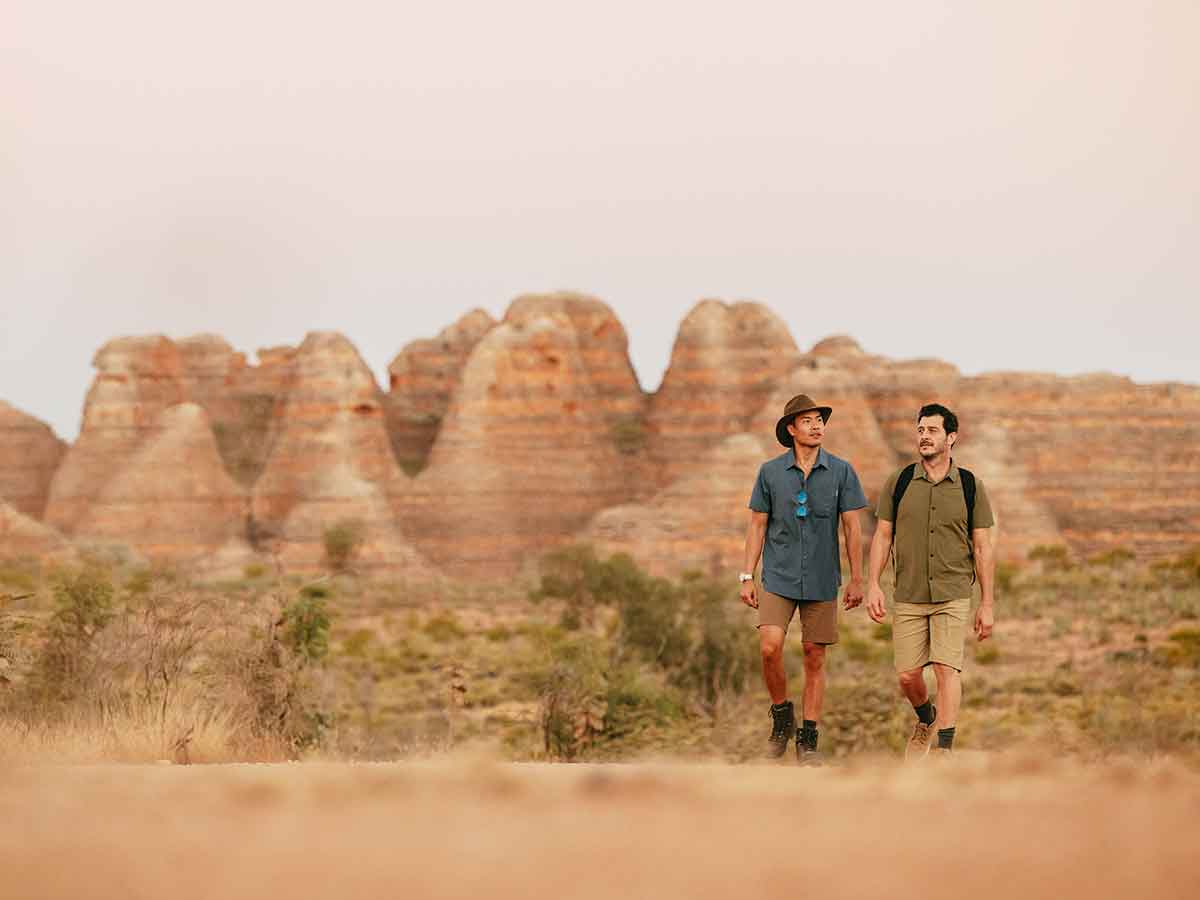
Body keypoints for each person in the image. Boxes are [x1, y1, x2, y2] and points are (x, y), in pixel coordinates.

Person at [740, 393, 867, 763]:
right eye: (808, 421)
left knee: (814, 657)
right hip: (777, 575)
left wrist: (857, 578)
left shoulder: (842, 471)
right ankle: (782, 717)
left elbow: (852, 527)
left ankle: (808, 739)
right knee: (769, 648)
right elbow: (757, 525)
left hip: (822, 578)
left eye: (820, 420)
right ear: (791, 429)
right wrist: (747, 575)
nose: (817, 426)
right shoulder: (770, 472)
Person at [865, 403, 996, 759]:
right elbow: (882, 536)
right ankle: (926, 717)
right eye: (921, 429)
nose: (924, 436)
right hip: (908, 594)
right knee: (908, 677)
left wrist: (986, 603)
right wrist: (873, 584)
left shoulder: (970, 486)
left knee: (945, 668)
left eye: (933, 430)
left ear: (951, 437)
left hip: (953, 592)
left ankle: (943, 749)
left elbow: (983, 547)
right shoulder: (901, 481)